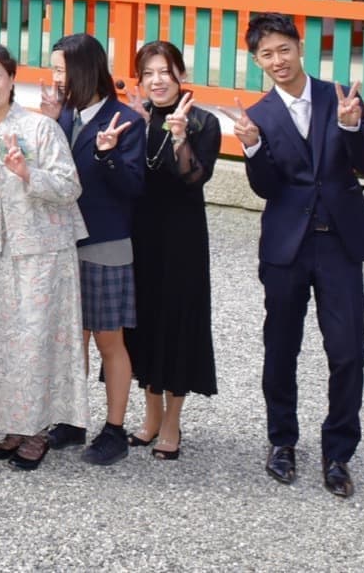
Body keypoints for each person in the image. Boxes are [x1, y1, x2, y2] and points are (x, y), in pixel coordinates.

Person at [224, 12, 364, 499]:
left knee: (348, 350)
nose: (277, 60)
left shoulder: (341, 98)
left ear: (299, 46)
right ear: (256, 61)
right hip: (287, 245)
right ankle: (282, 442)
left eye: (283, 49)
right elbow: (266, 188)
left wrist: (353, 129)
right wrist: (251, 147)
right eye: (266, 54)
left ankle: (338, 452)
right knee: (281, 348)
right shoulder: (261, 114)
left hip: (339, 242)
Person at [0, 42, 85, 473]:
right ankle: (12, 425)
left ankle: (37, 431)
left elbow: (70, 187)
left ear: (12, 79)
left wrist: (26, 172)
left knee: (34, 342)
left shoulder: (40, 128)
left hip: (41, 251)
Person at [41, 32, 146, 465]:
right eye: (53, 69)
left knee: (109, 339)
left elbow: (134, 187)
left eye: (61, 70)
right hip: (63, 240)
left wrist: (106, 155)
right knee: (71, 337)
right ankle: (72, 418)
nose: (55, 78)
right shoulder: (63, 116)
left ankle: (115, 428)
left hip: (105, 240)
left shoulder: (125, 120)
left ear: (85, 69)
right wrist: (46, 126)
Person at [125, 40, 220, 460]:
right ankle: (149, 414)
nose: (157, 80)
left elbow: (194, 178)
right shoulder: (135, 118)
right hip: (141, 233)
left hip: (182, 236)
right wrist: (139, 125)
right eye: (148, 73)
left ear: (181, 74)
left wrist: (179, 136)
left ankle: (172, 421)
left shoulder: (203, 121)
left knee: (180, 319)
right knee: (143, 320)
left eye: (165, 71)